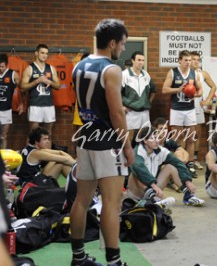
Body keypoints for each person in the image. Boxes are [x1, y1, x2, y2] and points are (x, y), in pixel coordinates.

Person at [70, 19, 134, 266]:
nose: (123, 49)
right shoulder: (112, 69)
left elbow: (80, 105)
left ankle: (78, 258)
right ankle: (114, 262)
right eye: (123, 44)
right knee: (111, 202)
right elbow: (117, 114)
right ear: (112, 43)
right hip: (107, 141)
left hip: (85, 136)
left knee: (81, 200)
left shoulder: (80, 65)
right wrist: (127, 146)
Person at [127, 126, 205, 207]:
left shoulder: (160, 151)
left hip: (152, 190)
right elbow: (139, 168)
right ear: (145, 140)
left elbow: (178, 163)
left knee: (170, 167)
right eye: (153, 138)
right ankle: (152, 200)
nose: (157, 141)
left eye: (157, 137)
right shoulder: (138, 151)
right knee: (136, 171)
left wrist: (187, 181)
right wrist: (154, 186)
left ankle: (188, 196)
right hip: (136, 193)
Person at [162, 50, 203, 177]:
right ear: (179, 60)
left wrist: (194, 95)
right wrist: (178, 89)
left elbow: (201, 90)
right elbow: (164, 89)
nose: (188, 62)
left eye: (189, 60)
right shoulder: (173, 72)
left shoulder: (194, 73)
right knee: (177, 138)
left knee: (191, 138)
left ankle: (190, 164)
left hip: (189, 109)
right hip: (176, 109)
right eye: (186, 60)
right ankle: (178, 164)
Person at [20, 44, 61, 140]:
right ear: (36, 53)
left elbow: (58, 86)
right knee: (33, 134)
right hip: (35, 105)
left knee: (48, 134)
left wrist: (49, 82)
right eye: (42, 53)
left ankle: (46, 155)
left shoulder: (51, 68)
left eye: (46, 53)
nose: (44, 55)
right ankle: (31, 155)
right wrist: (37, 81)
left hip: (49, 105)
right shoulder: (29, 68)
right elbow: (22, 88)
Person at [121, 51, 156, 145]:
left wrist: (149, 102)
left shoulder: (146, 75)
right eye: (139, 60)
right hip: (130, 112)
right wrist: (122, 107)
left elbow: (153, 90)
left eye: (143, 60)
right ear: (133, 61)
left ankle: (141, 158)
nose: (141, 62)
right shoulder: (124, 75)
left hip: (144, 112)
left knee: (144, 137)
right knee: (128, 138)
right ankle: (126, 159)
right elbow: (116, 93)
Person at [191, 51, 217, 170]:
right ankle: (188, 160)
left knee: (197, 134)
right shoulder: (184, 73)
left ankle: (195, 159)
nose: (195, 61)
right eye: (193, 59)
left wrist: (207, 100)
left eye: (197, 59)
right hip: (185, 107)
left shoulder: (203, 73)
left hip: (198, 106)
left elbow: (213, 86)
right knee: (186, 134)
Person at [0, 54, 24, 149]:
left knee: (3, 136)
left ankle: (2, 161)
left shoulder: (13, 74)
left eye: (2, 66)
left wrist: (21, 104)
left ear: (6, 65)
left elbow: (22, 89)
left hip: (6, 109)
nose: (0, 68)